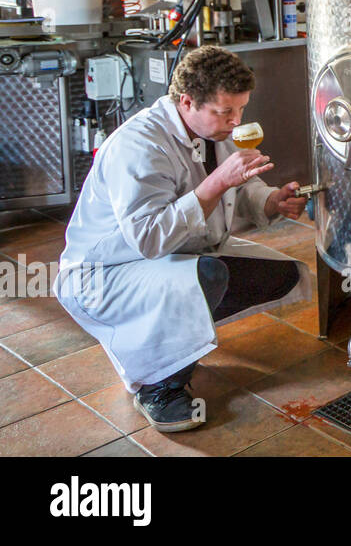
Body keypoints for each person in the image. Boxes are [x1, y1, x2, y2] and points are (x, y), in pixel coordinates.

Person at [55, 45, 313, 433]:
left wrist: (272, 201)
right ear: (188, 101)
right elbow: (148, 239)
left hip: (172, 255)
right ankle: (158, 385)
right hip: (106, 274)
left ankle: (174, 339)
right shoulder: (139, 145)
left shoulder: (210, 129)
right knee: (208, 276)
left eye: (241, 109)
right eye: (226, 112)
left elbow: (241, 188)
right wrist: (216, 183)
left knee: (282, 275)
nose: (236, 121)